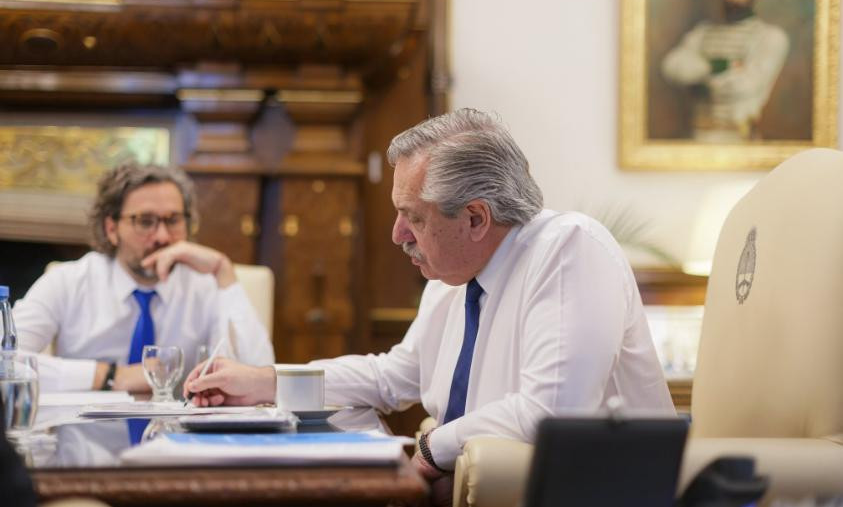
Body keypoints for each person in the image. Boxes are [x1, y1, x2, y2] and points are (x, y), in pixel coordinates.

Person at [184, 109, 674, 499]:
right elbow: (391, 378)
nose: (398, 235)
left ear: (476, 218)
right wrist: (264, 381)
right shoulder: (451, 276)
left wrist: (428, 449)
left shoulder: (569, 247)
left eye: (412, 217)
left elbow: (551, 412)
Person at [13, 162, 274, 392]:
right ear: (112, 228)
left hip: (178, 441)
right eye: (145, 221)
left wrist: (222, 270)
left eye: (173, 220)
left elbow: (259, 375)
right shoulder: (68, 282)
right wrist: (110, 376)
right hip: (85, 443)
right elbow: (5, 360)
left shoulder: (205, 285)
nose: (162, 237)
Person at [661, 0, 789, 142]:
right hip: (698, 137)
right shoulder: (703, 32)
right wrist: (717, 66)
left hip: (740, 139)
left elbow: (745, 84)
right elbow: (671, 66)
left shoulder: (770, 37)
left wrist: (699, 81)